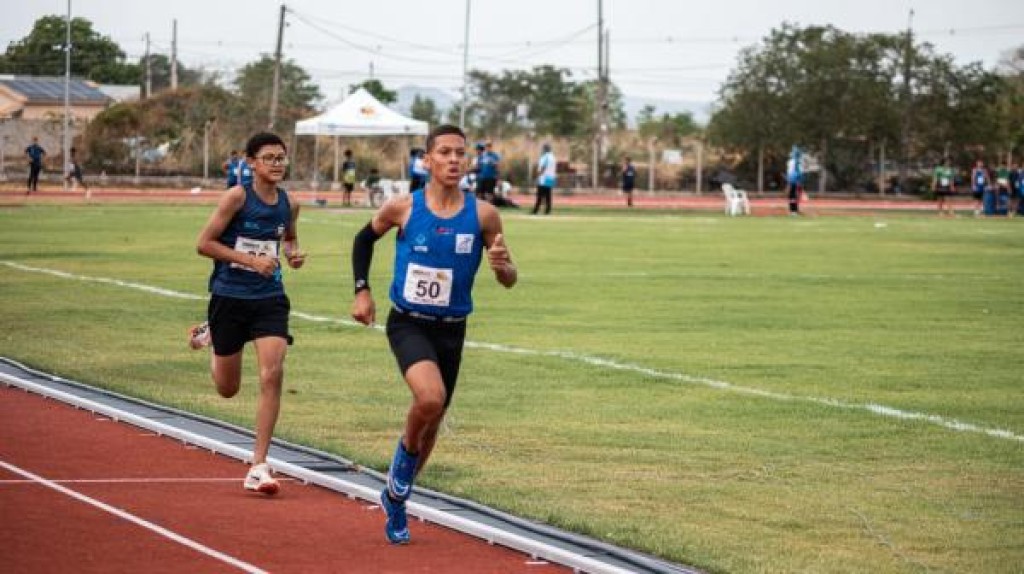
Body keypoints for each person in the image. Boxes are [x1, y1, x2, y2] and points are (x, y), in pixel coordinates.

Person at [349, 124, 517, 545]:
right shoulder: (403, 207)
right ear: (427, 160)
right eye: (444, 152)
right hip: (408, 321)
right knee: (429, 398)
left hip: (452, 329)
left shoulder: (484, 215)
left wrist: (503, 267)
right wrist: (362, 290)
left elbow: (509, 278)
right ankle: (400, 470)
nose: (454, 159)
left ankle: (396, 498)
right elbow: (363, 240)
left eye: (460, 152)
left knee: (433, 422)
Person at [190, 132, 306, 495]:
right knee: (228, 389)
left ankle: (258, 464)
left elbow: (288, 238)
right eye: (269, 158)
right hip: (229, 297)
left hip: (270, 298)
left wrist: (293, 254)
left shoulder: (290, 203)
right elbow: (203, 244)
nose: (277, 163)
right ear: (251, 163)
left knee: (273, 374)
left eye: (281, 157)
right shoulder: (237, 197)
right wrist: (249, 260)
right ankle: (213, 335)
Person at [532, 143, 556, 215]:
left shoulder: (545, 157)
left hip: (544, 178)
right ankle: (547, 210)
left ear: (545, 149)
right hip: (551, 178)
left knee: (540, 195)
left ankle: (536, 210)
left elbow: (543, 167)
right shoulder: (553, 157)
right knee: (548, 195)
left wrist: (538, 176)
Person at [785, 145, 803, 216]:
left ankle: (793, 210)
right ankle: (794, 210)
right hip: (796, 180)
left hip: (793, 180)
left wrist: (789, 180)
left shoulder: (792, 162)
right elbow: (800, 173)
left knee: (792, 196)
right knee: (795, 196)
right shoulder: (798, 162)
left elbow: (790, 172)